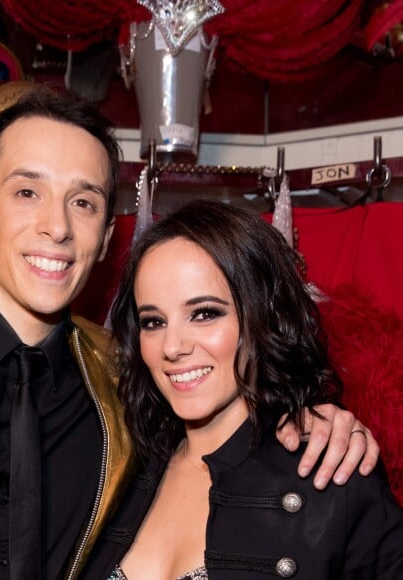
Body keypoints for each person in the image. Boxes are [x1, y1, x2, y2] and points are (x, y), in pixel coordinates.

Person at [0, 89, 381, 580]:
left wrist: (311, 415)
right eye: (27, 193)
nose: (58, 226)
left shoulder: (126, 378)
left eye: (84, 202)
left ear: (108, 234)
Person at [80, 197, 403, 579]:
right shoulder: (114, 466)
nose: (172, 347)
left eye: (204, 314)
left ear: (261, 317)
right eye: (153, 321)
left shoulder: (331, 471)